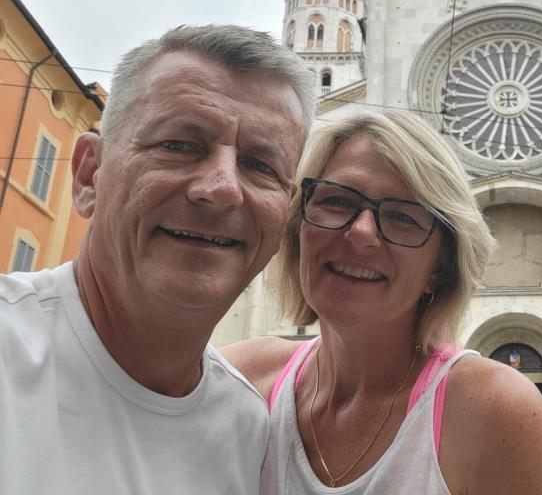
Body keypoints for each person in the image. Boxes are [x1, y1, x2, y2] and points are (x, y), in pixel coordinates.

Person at [0, 25, 316, 494]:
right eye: (179, 146)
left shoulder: (249, 432)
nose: (222, 189)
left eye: (260, 166)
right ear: (89, 175)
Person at [225, 110, 542, 494]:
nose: (361, 233)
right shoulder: (241, 382)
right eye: (337, 200)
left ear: (440, 268)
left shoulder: (494, 413)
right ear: (298, 228)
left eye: (403, 217)